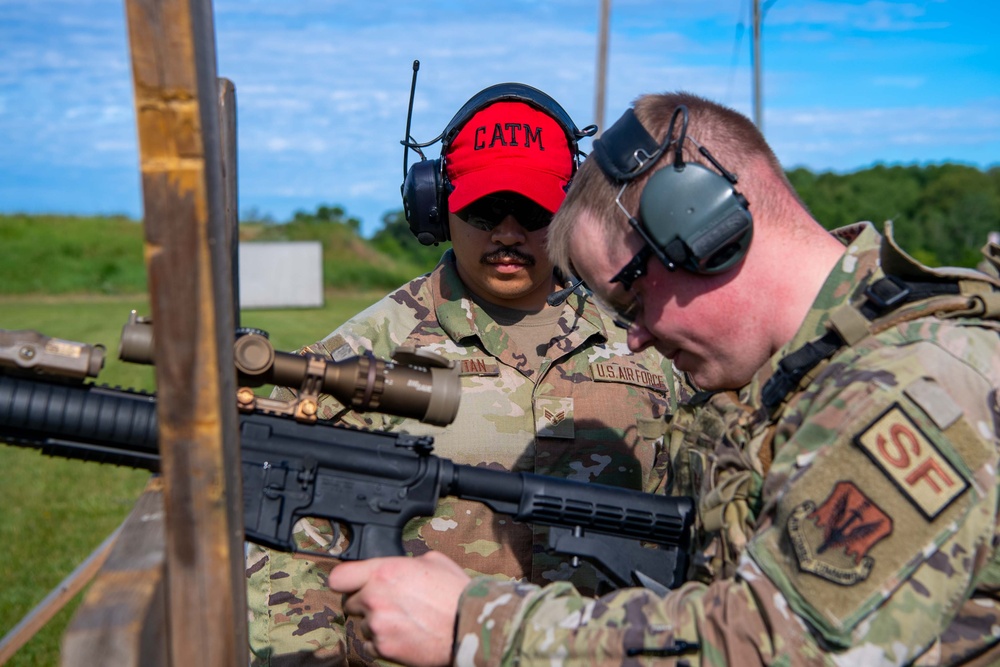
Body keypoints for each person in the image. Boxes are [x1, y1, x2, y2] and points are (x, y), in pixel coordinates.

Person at [327, 91, 1000, 666]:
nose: (637, 336)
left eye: (632, 301)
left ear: (706, 232)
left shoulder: (901, 385)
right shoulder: (828, 375)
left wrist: (475, 624)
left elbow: (779, 646)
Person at [247, 83, 687, 665]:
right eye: (483, 210)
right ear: (436, 206)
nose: (507, 234)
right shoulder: (359, 355)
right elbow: (290, 549)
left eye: (532, 212)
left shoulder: (651, 344)